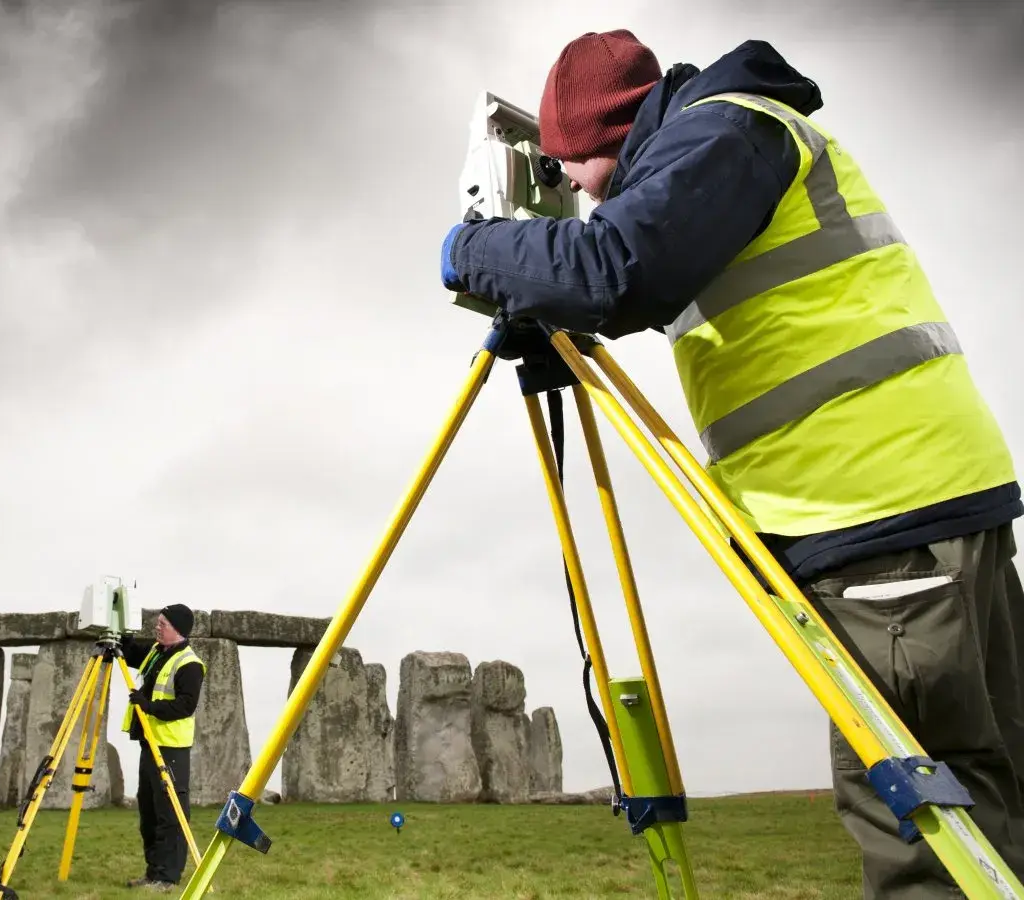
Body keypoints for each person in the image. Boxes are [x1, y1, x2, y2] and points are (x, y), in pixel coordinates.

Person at [439, 29, 1024, 897]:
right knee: (983, 801)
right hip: (927, 503)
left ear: (603, 140)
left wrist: (473, 249)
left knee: (923, 830)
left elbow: (613, 273)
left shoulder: (724, 134)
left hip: (872, 518)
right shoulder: (732, 137)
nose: (582, 197)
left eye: (573, 172)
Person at [118, 604, 207, 891]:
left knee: (171, 814)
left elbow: (186, 704)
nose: (157, 628)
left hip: (172, 747)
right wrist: (121, 635)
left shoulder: (189, 664)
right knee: (150, 812)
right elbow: (133, 654)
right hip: (150, 742)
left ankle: (167, 878)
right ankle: (153, 872)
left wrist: (150, 707)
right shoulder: (158, 651)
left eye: (162, 624)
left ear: (177, 629)